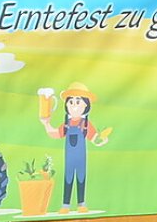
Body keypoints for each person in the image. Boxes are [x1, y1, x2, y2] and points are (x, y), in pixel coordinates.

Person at [39, 82, 110, 213]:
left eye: (78, 102)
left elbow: (95, 139)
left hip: (81, 158)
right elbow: (55, 134)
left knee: (81, 178)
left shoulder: (86, 124)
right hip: (69, 159)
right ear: (66, 105)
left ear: (86, 105)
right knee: (68, 178)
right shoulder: (66, 124)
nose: (74, 106)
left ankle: (81, 203)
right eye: (71, 102)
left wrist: (103, 140)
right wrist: (46, 124)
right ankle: (65, 204)